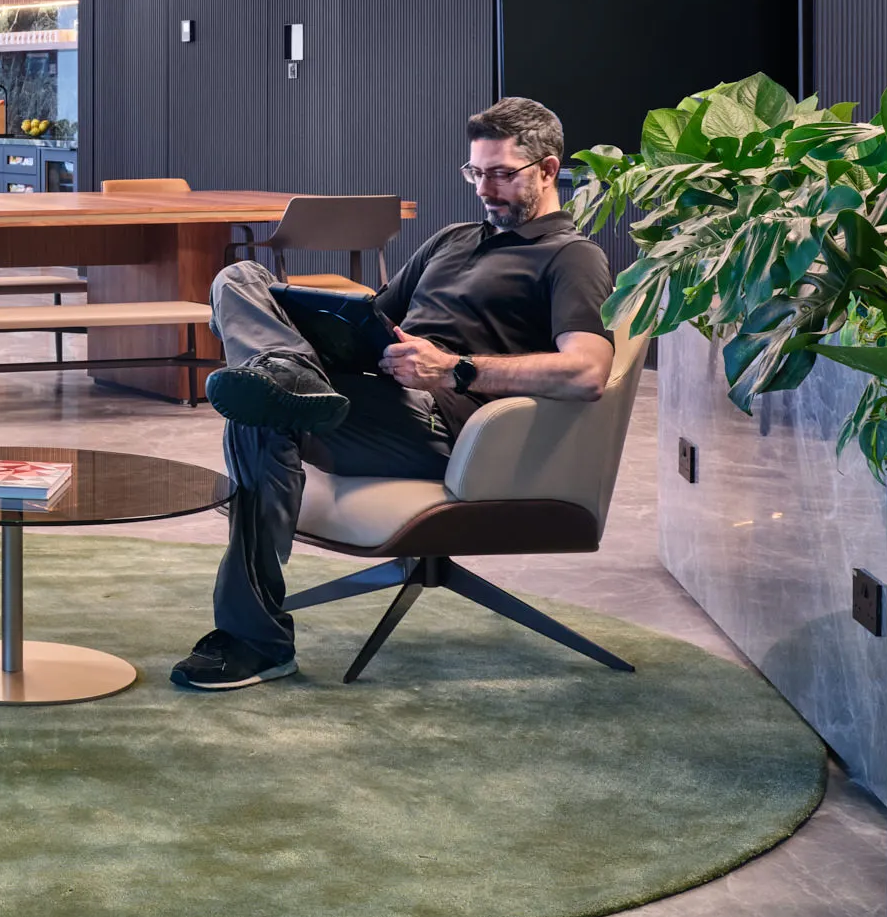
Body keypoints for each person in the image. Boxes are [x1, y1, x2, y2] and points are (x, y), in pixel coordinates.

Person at [176, 96, 616, 693]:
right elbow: (376, 319)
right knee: (240, 279)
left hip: (443, 424)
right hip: (376, 392)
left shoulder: (572, 257)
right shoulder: (451, 240)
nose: (486, 188)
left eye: (502, 174)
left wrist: (453, 369)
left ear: (547, 169)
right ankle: (287, 373)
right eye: (475, 172)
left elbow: (587, 373)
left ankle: (255, 641)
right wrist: (313, 325)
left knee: (260, 411)